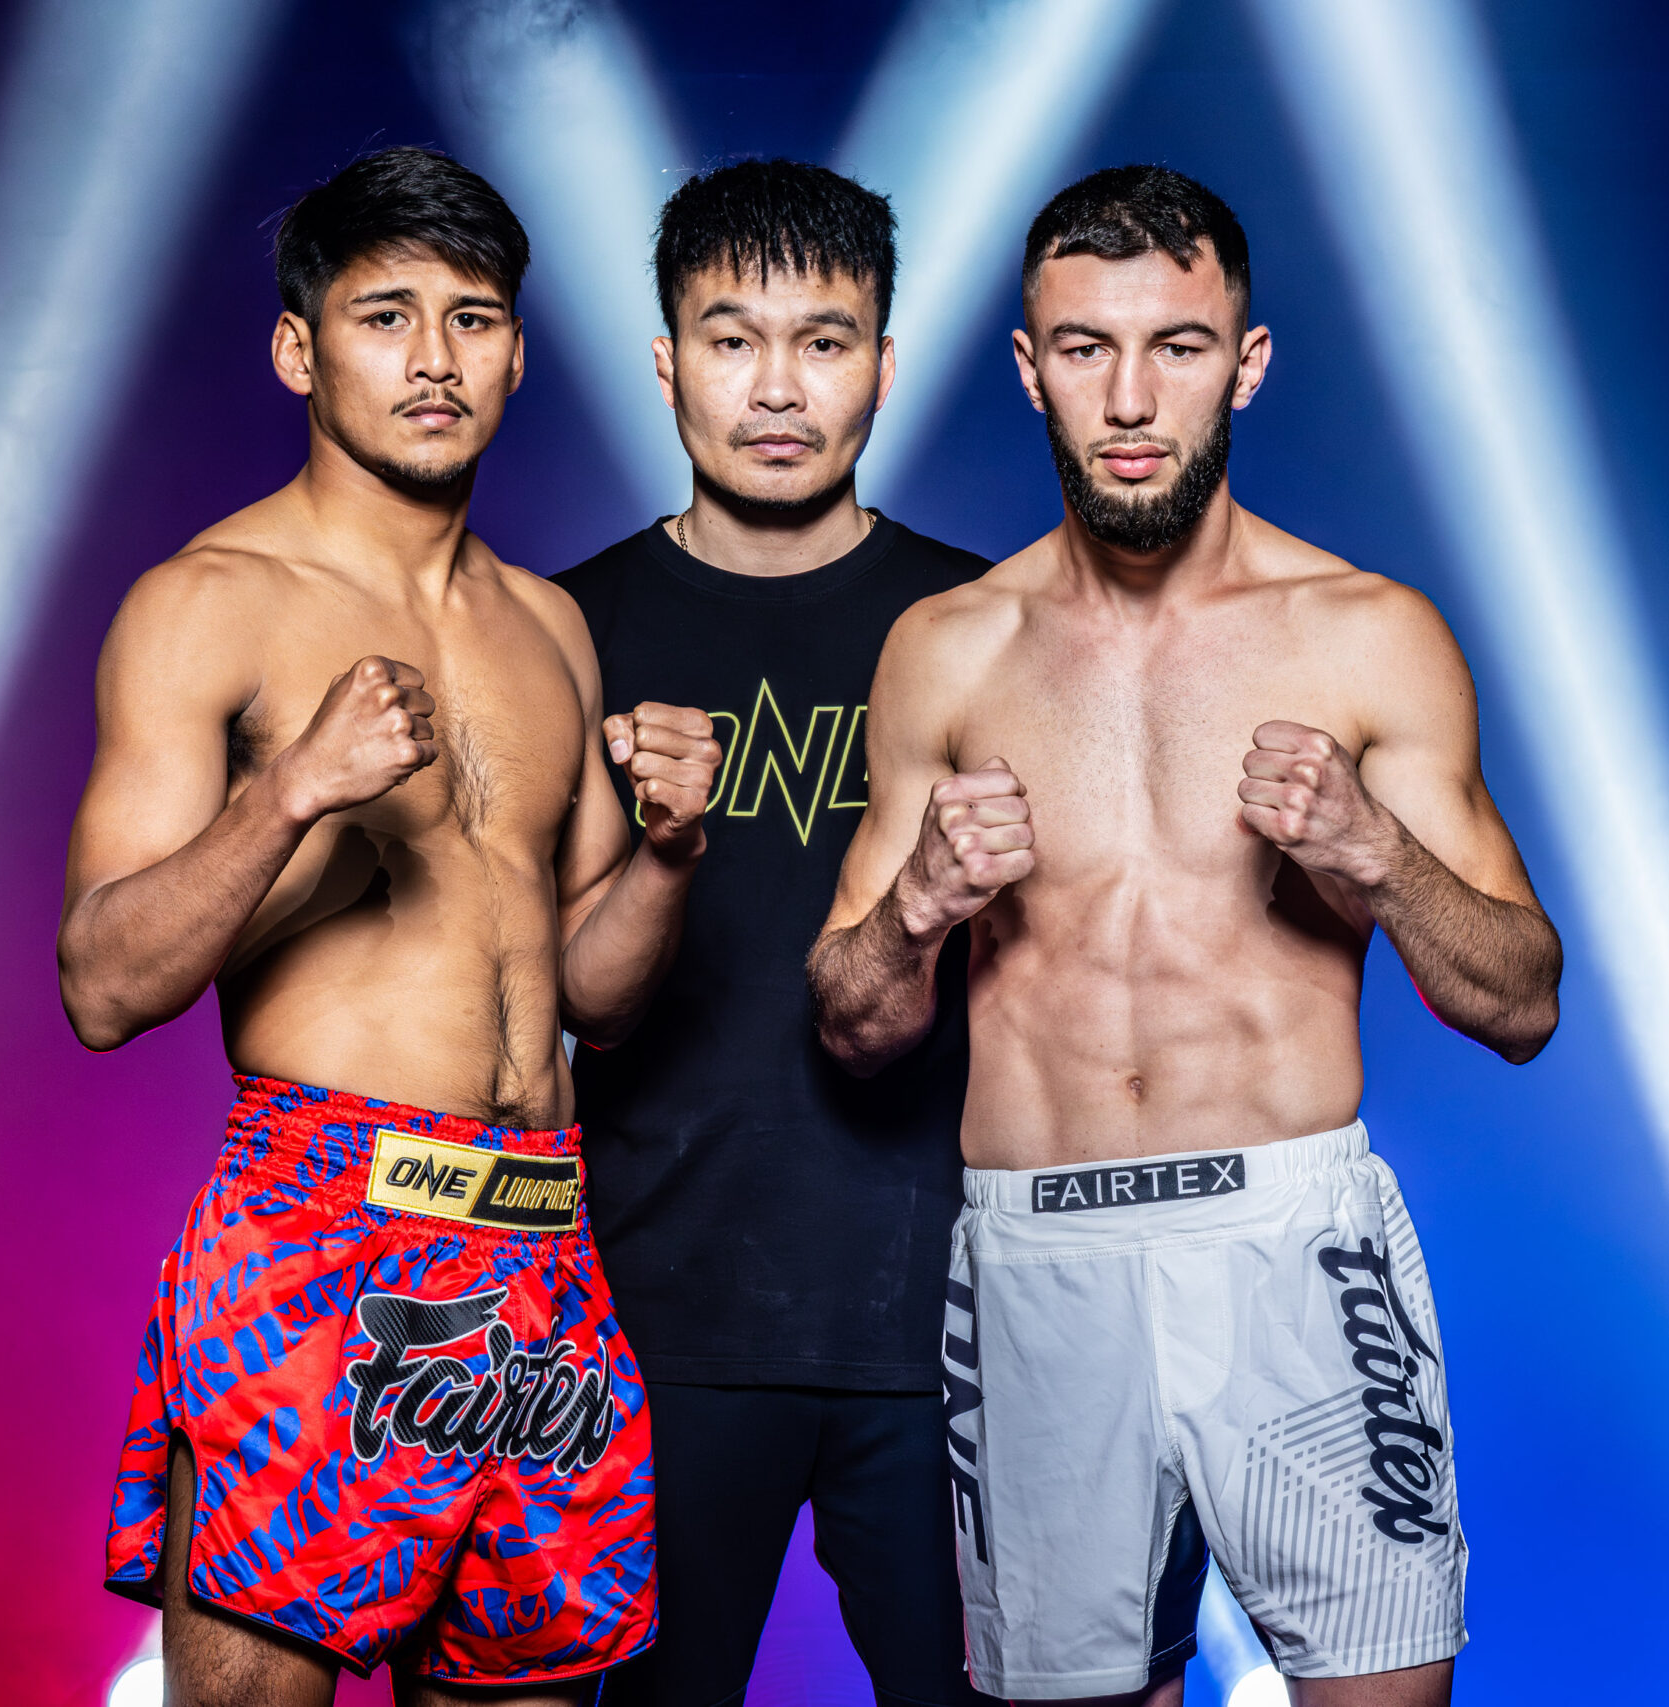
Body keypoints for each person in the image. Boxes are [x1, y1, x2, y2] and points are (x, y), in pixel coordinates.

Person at [810, 165, 1562, 1707]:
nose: (1133, 397)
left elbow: (1520, 1001)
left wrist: (1372, 853)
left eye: (1179, 346)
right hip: (1038, 1257)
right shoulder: (946, 650)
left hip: (1292, 1247)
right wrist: (920, 906)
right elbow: (852, 1024)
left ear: (1248, 361)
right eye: (1086, 349)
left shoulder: (1368, 634)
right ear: (1030, 369)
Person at [60, 147, 723, 1707]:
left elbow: (597, 996)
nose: (435, 359)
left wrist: (673, 853)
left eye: (473, 320)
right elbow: (102, 984)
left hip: (542, 1247)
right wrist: (294, 791)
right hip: (321, 1229)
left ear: (516, 353)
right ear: (301, 350)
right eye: (386, 316)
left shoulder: (551, 624)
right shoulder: (206, 602)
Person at [553, 159, 992, 1707]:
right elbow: (556, 997)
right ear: (668, 362)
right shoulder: (565, 630)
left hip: (951, 1315)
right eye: (732, 340)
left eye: (824, 339)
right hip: (652, 1318)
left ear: (886, 363)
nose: (779, 387)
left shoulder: (985, 623)